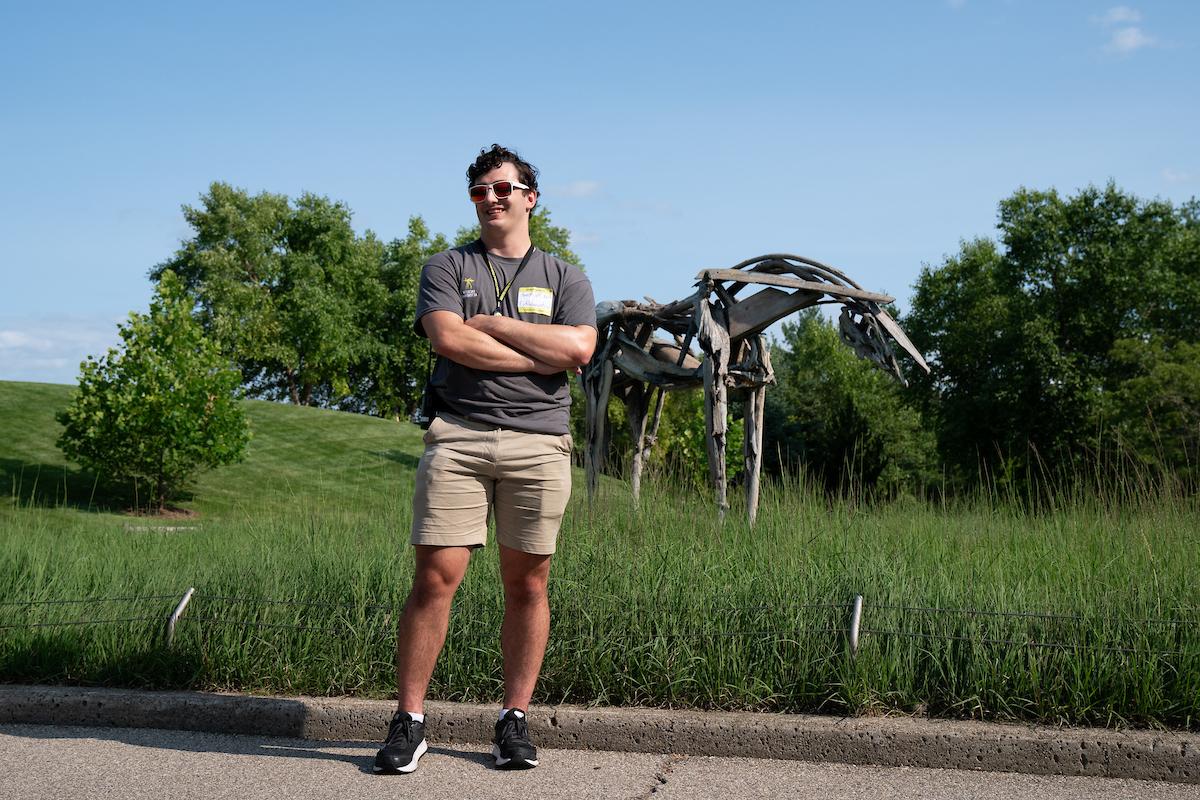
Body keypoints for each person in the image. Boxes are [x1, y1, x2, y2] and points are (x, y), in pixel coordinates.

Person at [374, 144, 597, 774]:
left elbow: (580, 346)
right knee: (434, 579)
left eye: (503, 188)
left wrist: (494, 326)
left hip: (539, 443)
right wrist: (535, 356)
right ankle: (410, 722)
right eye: (480, 189)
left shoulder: (566, 277)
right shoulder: (446, 266)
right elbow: (448, 337)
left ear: (530, 197)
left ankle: (514, 721)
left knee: (528, 584)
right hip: (459, 437)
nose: (491, 198)